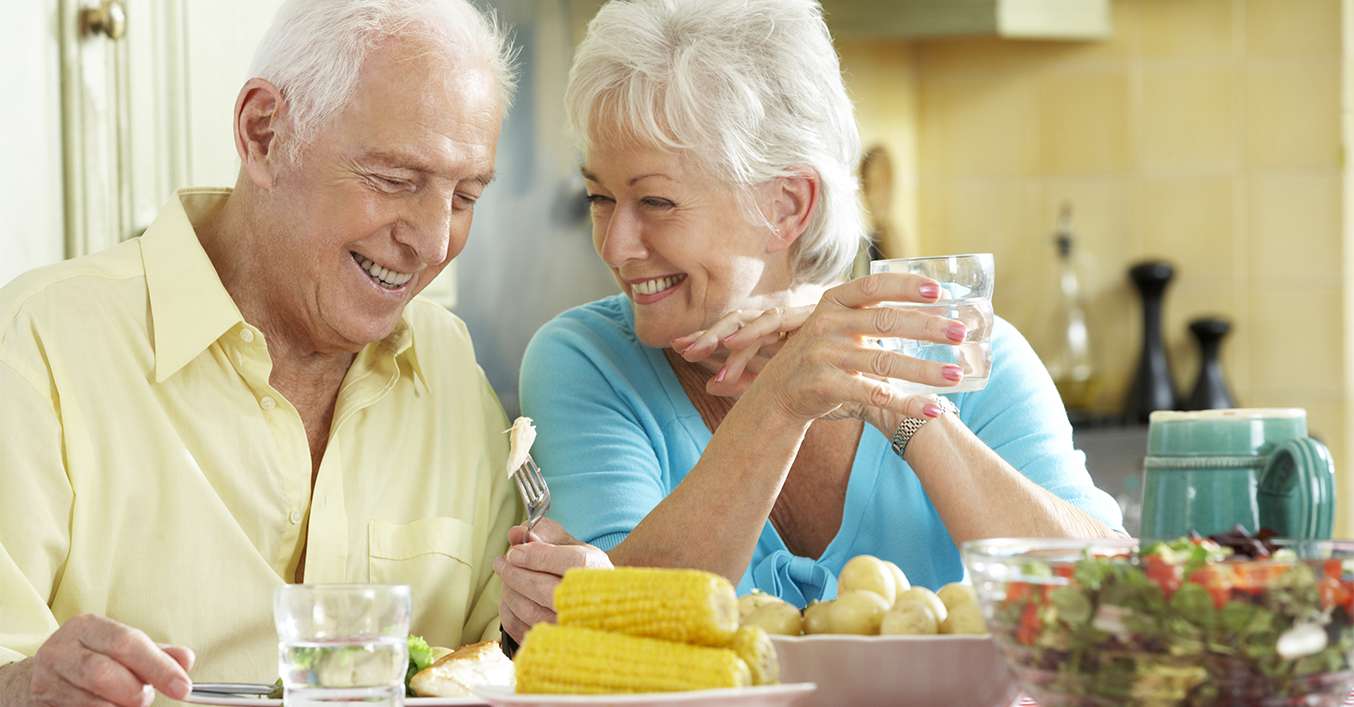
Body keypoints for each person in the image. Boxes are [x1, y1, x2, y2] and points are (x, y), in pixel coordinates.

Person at [494, 0, 1123, 644]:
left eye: (655, 201)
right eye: (601, 198)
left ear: (787, 206)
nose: (615, 245)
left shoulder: (959, 352)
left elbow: (1109, 605)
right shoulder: (587, 360)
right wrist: (783, 398)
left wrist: (893, 400)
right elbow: (621, 624)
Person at [0, 1, 520, 704]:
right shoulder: (38, 345)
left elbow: (500, 651)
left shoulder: (450, 365)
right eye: (396, 180)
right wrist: (29, 686)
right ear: (264, 134)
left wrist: (544, 616)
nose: (433, 242)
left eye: (465, 196)